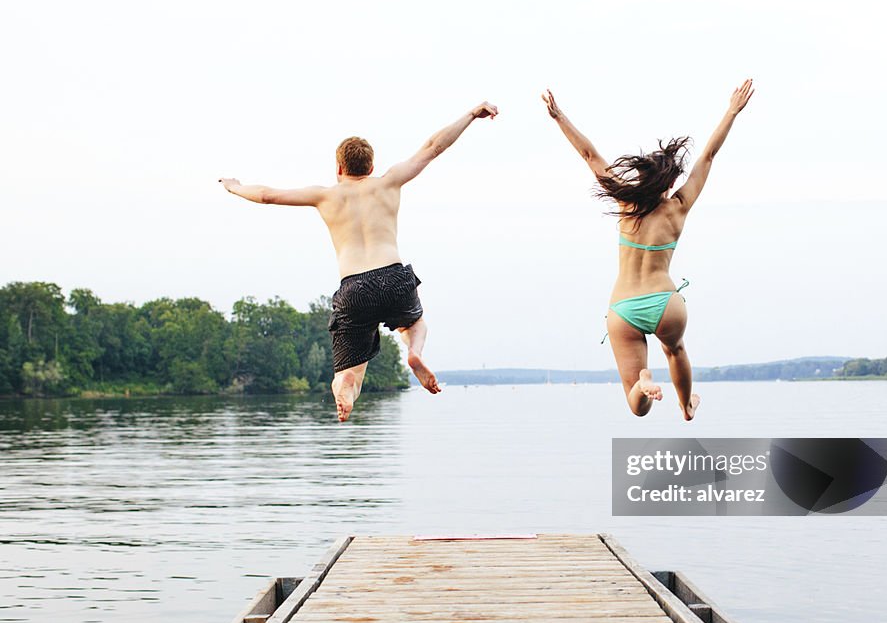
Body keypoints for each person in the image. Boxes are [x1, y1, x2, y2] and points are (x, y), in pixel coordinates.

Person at [219, 101, 499, 422]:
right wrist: (471, 114)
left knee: (351, 366)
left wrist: (234, 187)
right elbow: (434, 147)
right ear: (371, 166)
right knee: (414, 325)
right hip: (394, 277)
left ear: (339, 168)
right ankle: (414, 354)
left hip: (354, 288)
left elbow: (268, 195)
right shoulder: (389, 182)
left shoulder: (325, 195)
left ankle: (345, 387)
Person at [542, 81, 754, 420]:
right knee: (675, 350)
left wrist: (559, 116)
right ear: (669, 182)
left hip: (623, 307)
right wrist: (731, 111)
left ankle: (642, 387)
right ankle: (686, 407)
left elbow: (589, 155)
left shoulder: (626, 202)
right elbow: (708, 156)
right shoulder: (678, 207)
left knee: (636, 408)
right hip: (665, 302)